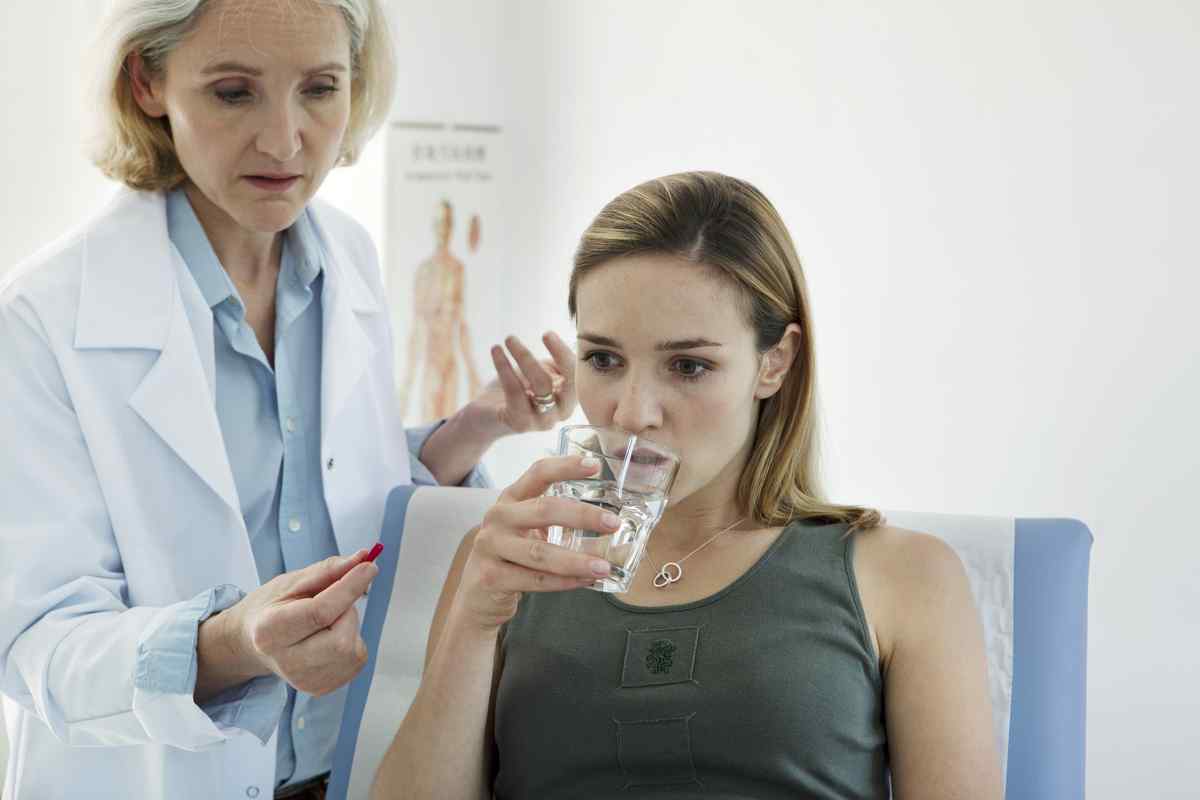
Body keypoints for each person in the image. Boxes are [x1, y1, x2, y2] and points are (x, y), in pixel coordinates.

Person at [0, 1, 574, 798]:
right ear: (147, 82)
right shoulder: (44, 315)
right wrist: (235, 643)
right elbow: (38, 644)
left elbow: (344, 492)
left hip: (351, 768)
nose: (285, 139)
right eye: (235, 92)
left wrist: (475, 428)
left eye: (320, 88)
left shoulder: (349, 260)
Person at [373, 171, 1005, 799]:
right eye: (603, 359)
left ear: (774, 362)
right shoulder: (503, 566)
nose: (630, 412)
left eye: (688, 366)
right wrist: (474, 622)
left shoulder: (906, 578)